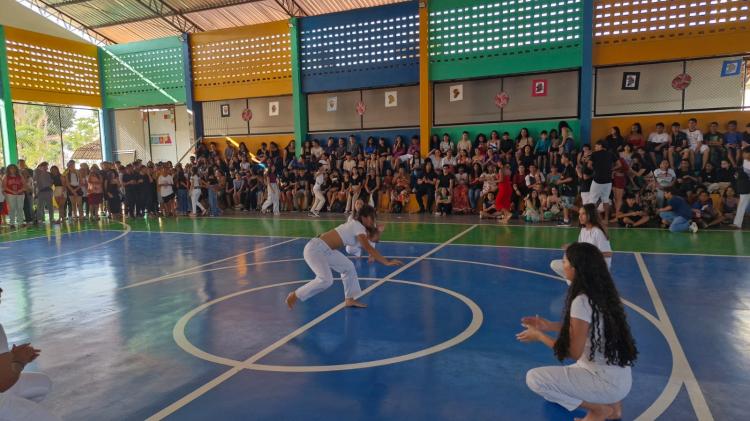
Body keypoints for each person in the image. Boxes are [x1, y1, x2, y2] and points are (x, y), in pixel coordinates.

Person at [518, 242, 638, 421]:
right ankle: (615, 408)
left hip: (602, 380)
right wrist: (549, 325)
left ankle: (598, 410)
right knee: (553, 393)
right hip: (618, 378)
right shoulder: (604, 293)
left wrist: (539, 336)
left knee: (535, 379)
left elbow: (572, 352)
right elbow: (587, 327)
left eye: (564, 262)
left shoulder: (581, 301)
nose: (562, 265)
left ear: (575, 269)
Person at [286, 205, 403, 309]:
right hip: (315, 249)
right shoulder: (357, 226)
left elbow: (374, 239)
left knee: (348, 267)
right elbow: (368, 247)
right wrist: (386, 262)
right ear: (364, 218)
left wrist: (378, 230)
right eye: (372, 218)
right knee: (326, 280)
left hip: (326, 250)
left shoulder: (361, 227)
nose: (373, 221)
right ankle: (295, 295)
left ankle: (349, 299)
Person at [551, 204, 612, 280]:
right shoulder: (583, 230)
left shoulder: (598, 232)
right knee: (555, 264)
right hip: (586, 263)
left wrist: (589, 255)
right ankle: (579, 282)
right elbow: (581, 246)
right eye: (579, 214)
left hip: (598, 267)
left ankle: (582, 281)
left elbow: (608, 253)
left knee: (571, 270)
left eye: (583, 214)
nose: (580, 216)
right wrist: (572, 246)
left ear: (591, 215)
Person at [586, 142, 616, 222]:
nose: (595, 148)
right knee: (605, 200)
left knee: (592, 200)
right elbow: (619, 164)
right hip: (608, 181)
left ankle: (592, 218)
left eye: (596, 146)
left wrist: (595, 170)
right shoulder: (611, 154)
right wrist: (610, 170)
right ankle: (606, 219)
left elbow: (589, 165)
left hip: (597, 180)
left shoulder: (595, 154)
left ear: (601, 146)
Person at [730, 146, 750, 229]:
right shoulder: (744, 162)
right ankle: (737, 224)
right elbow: (738, 173)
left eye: (745, 153)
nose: (743, 155)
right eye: (743, 153)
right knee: (741, 204)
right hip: (745, 187)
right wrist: (737, 175)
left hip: (746, 184)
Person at [2, 164, 25, 229]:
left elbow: (24, 185)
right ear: (8, 169)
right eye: (11, 168)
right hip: (10, 194)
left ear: (16, 169)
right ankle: (12, 223)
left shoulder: (20, 176)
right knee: (12, 208)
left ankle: (21, 222)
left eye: (14, 168)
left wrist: (20, 190)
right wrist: (12, 191)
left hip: (20, 194)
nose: (13, 169)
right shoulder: (6, 176)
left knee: (20, 208)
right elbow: (4, 187)